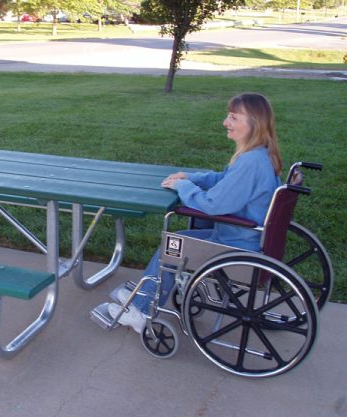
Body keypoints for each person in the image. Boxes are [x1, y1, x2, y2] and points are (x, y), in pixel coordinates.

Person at [107, 92, 283, 333]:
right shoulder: (259, 155)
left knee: (171, 246)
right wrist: (191, 177)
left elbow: (213, 204)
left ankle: (141, 310)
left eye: (233, 118)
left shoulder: (251, 163)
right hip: (246, 238)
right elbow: (223, 179)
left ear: (254, 123)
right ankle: (148, 292)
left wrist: (182, 186)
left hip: (236, 245)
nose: (225, 122)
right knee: (187, 231)